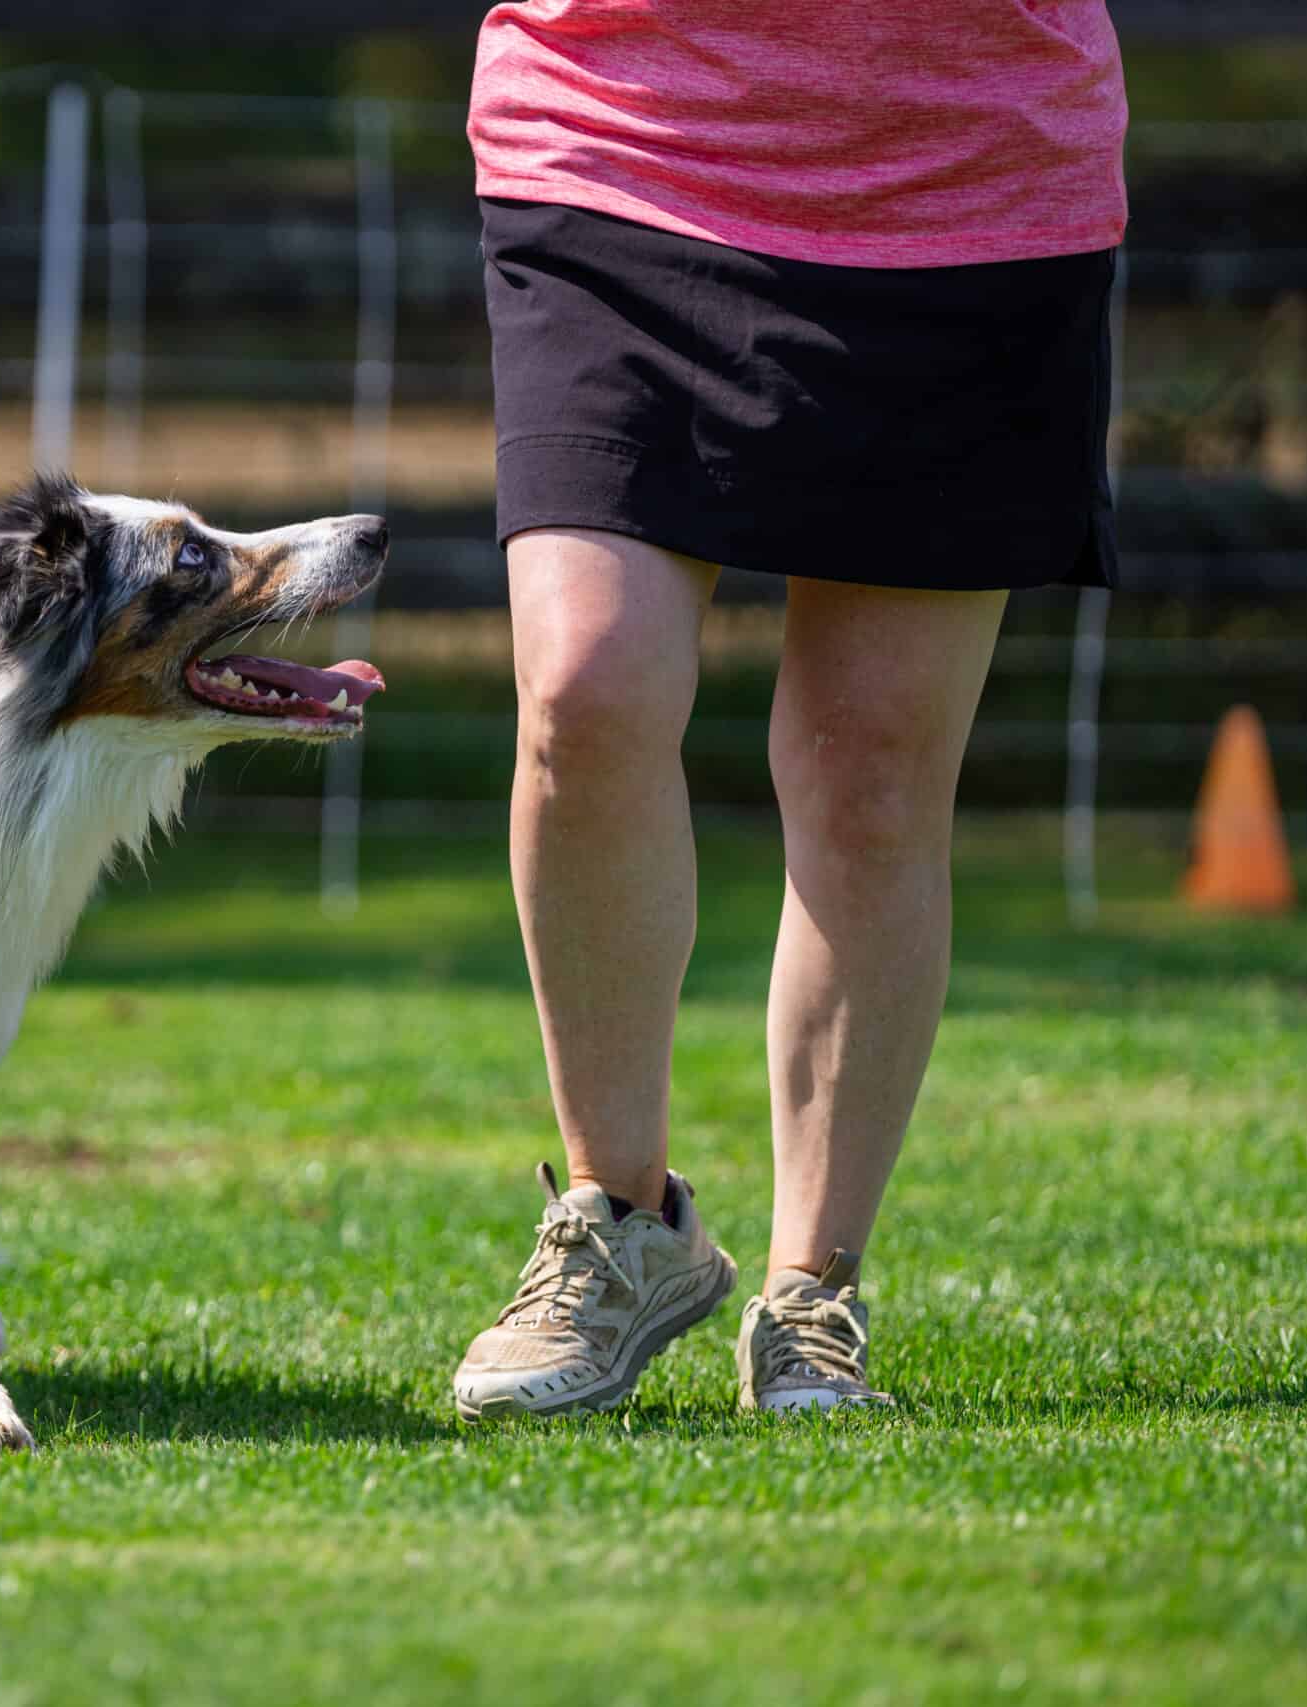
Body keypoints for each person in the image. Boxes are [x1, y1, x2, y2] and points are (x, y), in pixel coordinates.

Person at [450, 2, 1127, 1419]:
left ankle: (813, 1295)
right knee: (583, 685)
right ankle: (620, 1226)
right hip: (616, 136)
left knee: (872, 769)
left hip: (972, 182)